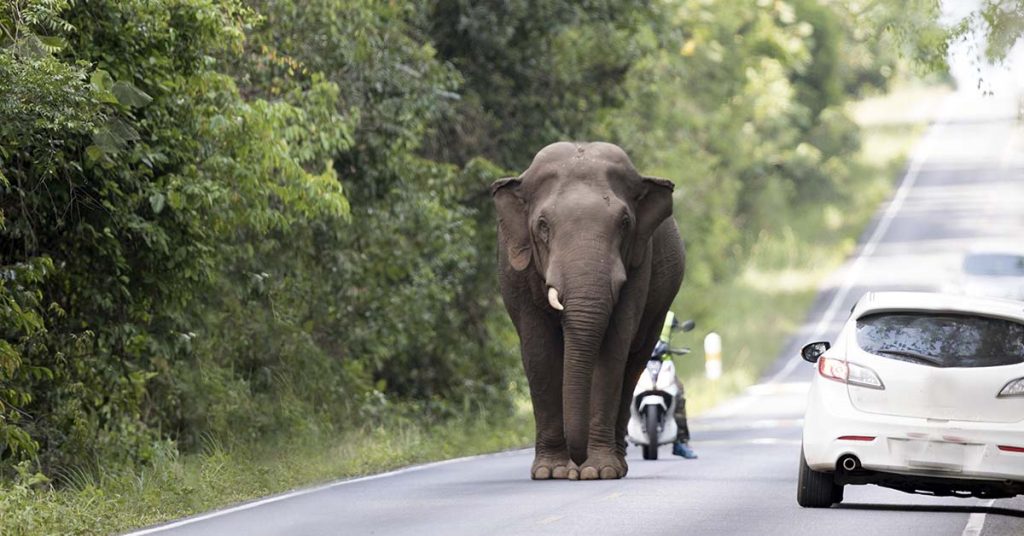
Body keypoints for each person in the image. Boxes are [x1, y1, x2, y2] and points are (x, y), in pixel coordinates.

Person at [659, 311, 698, 459]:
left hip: (664, 362)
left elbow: (680, 329)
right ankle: (618, 437)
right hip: (641, 363)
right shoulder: (636, 309)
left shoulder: (669, 316)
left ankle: (681, 441)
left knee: (678, 394)